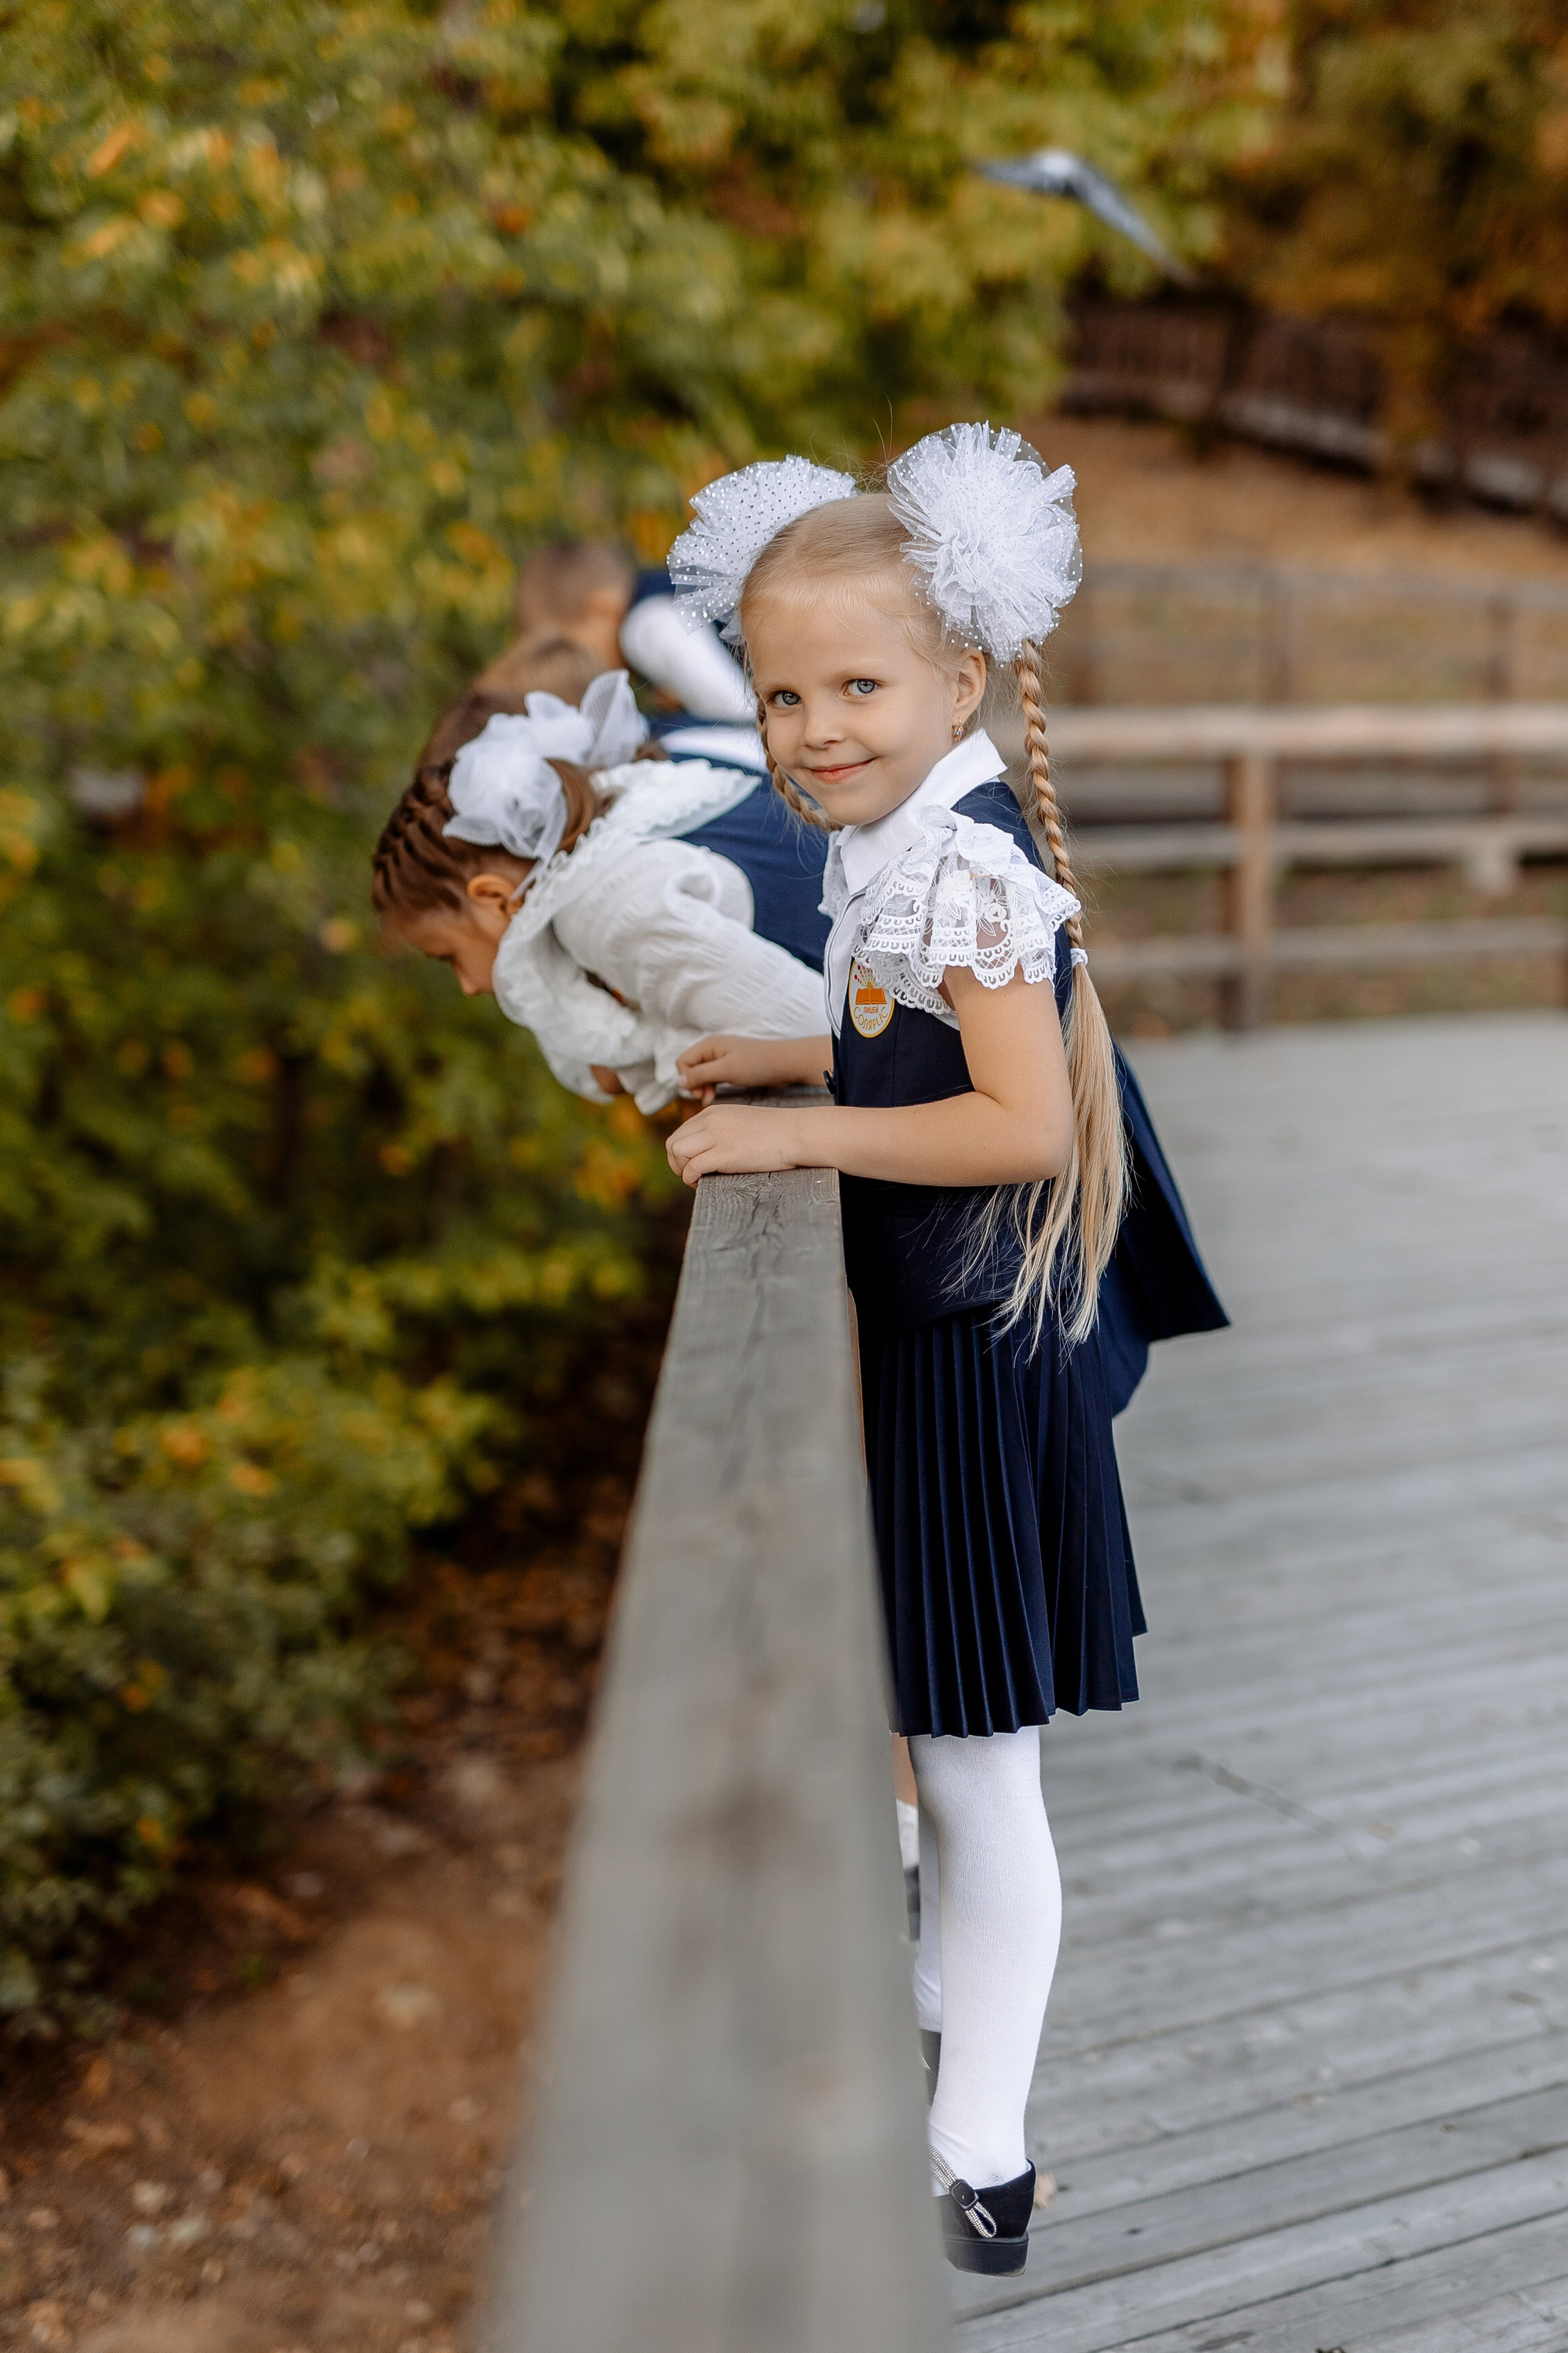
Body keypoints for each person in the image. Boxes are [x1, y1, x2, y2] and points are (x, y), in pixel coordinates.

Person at [660, 428, 1225, 2275]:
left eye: (855, 684)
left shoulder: (962, 866)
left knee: (980, 1776)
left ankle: (975, 2148)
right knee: (952, 1746)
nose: (811, 725)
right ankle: (935, 2022)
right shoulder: (903, 839)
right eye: (780, 693)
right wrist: (795, 1062)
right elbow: (914, 1056)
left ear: (958, 682)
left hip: (981, 1367)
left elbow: (1018, 1128)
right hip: (938, 1352)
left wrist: (799, 1134)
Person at [369, 667, 821, 1111]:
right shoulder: (626, 801)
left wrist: (671, 1054)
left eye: (449, 956)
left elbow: (815, 1033)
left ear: (493, 897)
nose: (467, 986)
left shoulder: (603, 904)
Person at [480, 539, 834, 973]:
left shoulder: (646, 625)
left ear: (603, 608)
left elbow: (742, 705)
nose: (577, 663)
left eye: (572, 645)